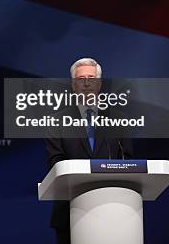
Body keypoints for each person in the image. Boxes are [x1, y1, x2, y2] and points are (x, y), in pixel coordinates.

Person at [45, 57, 133, 244]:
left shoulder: (119, 120)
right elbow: (55, 163)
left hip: (114, 210)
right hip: (70, 213)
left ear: (99, 83)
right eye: (81, 79)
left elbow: (128, 160)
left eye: (91, 78)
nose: (86, 83)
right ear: (73, 85)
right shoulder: (56, 121)